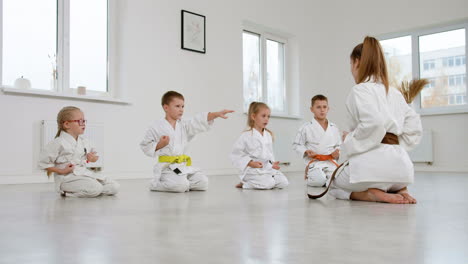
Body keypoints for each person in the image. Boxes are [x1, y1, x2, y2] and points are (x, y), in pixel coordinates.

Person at [329, 36, 422, 204]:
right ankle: (400, 188)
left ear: (357, 62)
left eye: (351, 65)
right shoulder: (395, 92)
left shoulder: (360, 90)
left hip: (372, 169)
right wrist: (395, 145)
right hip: (402, 169)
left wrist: (349, 138)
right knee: (388, 175)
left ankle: (370, 193)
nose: (351, 70)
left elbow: (375, 124)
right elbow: (414, 127)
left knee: (333, 185)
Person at [140, 91, 234, 193]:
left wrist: (216, 114)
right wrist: (160, 145)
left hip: (182, 166)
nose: (181, 110)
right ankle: (156, 184)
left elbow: (198, 121)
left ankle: (181, 183)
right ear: (166, 108)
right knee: (180, 186)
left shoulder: (184, 124)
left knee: (203, 182)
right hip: (166, 167)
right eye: (177, 106)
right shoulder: (156, 126)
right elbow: (145, 145)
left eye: (183, 106)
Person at [39, 106, 119, 197]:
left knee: (114, 187)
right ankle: (67, 192)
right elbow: (42, 164)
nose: (83, 124)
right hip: (67, 179)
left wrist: (92, 158)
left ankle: (93, 190)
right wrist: (62, 171)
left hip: (83, 174)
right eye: (80, 121)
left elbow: (95, 156)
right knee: (96, 188)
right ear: (67, 124)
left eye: (84, 121)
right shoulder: (58, 142)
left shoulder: (84, 141)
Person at [231, 102, 289, 189]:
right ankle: (246, 183)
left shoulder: (268, 135)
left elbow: (269, 153)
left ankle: (263, 180)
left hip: (266, 168)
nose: (266, 119)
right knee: (268, 184)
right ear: (253, 116)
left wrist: (272, 164)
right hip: (252, 170)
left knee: (284, 182)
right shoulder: (246, 136)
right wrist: (250, 163)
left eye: (268, 116)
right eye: (263, 116)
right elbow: (235, 154)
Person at [293, 94, 341, 187]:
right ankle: (311, 177)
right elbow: (297, 145)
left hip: (330, 162)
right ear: (312, 109)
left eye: (324, 107)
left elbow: (338, 145)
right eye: (318, 107)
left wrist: (337, 152)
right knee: (320, 180)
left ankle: (329, 181)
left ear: (328, 108)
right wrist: (306, 151)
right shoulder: (306, 127)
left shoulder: (334, 127)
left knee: (337, 181)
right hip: (315, 163)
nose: (322, 110)